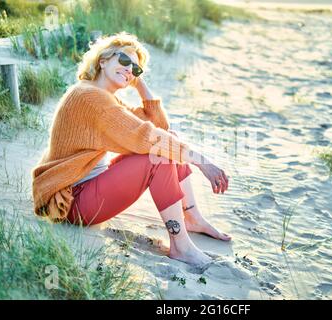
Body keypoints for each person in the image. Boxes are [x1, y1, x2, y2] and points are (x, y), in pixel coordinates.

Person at [31, 32, 230, 266]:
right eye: (124, 61)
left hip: (85, 191)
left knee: (168, 142)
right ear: (102, 60)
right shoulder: (90, 98)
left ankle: (192, 217)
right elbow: (149, 136)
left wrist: (138, 80)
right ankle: (181, 247)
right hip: (73, 203)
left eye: (135, 69)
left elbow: (159, 127)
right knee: (158, 155)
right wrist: (202, 161)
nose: (129, 70)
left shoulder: (102, 96)